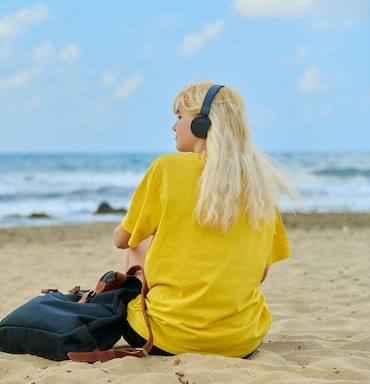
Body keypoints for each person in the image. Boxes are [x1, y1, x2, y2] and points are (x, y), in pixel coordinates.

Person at [113, 80, 299, 358]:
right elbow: (260, 273)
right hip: (241, 342)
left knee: (138, 243)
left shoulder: (166, 168)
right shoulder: (260, 184)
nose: (173, 126)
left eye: (179, 117)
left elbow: (121, 240)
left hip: (163, 337)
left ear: (202, 124)